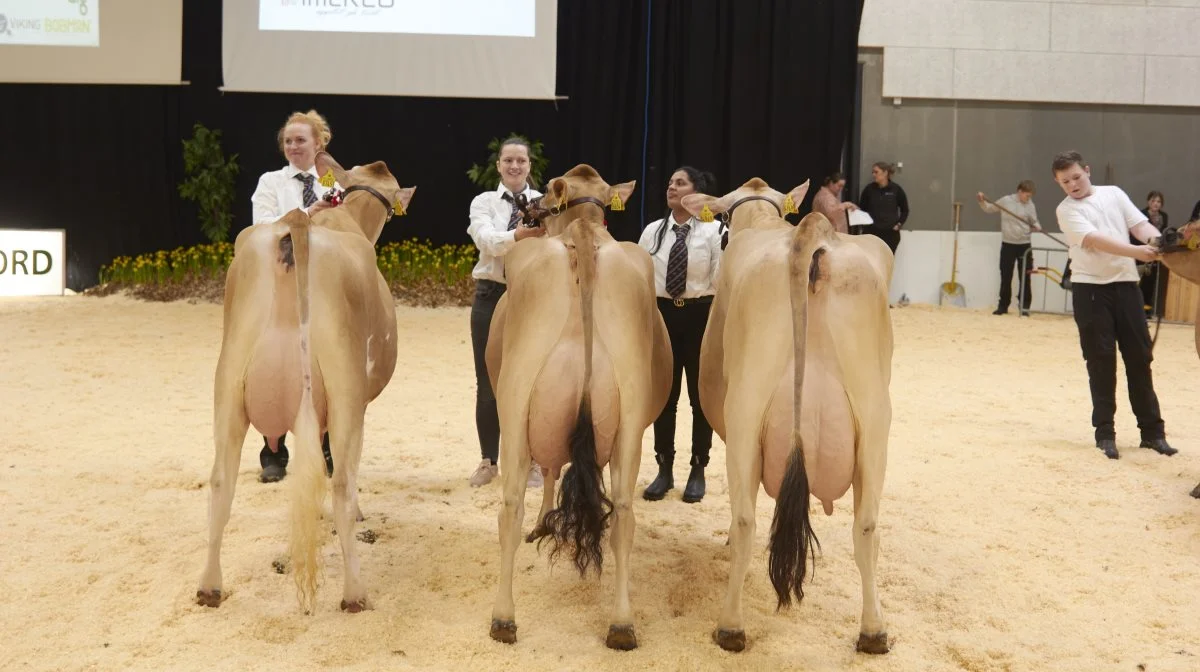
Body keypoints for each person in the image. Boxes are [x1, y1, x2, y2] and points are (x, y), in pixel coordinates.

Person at [1051, 150, 1178, 460]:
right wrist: (1137, 253)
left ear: (1088, 170)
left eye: (1077, 177)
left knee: (1140, 358)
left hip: (1126, 287)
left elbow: (1139, 225)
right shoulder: (1065, 210)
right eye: (1065, 181)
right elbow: (1094, 240)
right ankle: (1105, 434)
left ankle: (1152, 433)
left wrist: (1158, 240)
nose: (1073, 185)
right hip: (1090, 290)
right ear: (1059, 183)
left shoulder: (1114, 194)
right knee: (1100, 361)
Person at [248, 109, 340, 483]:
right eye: (288, 141)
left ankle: (326, 442)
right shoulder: (271, 180)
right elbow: (263, 224)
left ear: (318, 144)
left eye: (301, 140)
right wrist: (309, 211)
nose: (293, 146)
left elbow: (341, 220)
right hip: (280, 283)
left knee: (326, 361)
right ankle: (274, 449)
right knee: (278, 360)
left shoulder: (331, 179)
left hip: (323, 284)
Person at [637, 166, 722, 503]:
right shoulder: (652, 231)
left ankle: (698, 468)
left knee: (701, 401)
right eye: (670, 182)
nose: (671, 186)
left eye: (680, 182)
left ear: (697, 192)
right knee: (663, 399)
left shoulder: (715, 232)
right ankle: (664, 468)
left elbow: (720, 279)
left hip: (701, 315)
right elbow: (641, 277)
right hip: (661, 317)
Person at [466, 136, 547, 488]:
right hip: (490, 295)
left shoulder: (546, 203)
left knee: (533, 380)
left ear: (530, 166)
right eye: (508, 161)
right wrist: (522, 234)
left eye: (521, 161)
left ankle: (531, 460)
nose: (515, 166)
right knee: (488, 382)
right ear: (498, 165)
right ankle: (488, 460)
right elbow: (486, 240)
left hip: (531, 298)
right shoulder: (483, 202)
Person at [977, 181, 1042, 316]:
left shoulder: (1030, 205)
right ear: (1020, 192)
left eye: (1030, 196)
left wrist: (1037, 226)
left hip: (1025, 245)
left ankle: (1024, 308)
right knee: (1006, 276)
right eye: (1027, 196)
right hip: (1008, 245)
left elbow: (1034, 220)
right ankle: (1003, 306)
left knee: (1025, 277)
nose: (1028, 199)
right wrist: (981, 201)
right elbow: (989, 208)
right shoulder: (1006, 201)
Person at [858, 162, 909, 253]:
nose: (873, 175)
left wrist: (898, 224)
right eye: (872, 172)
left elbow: (905, 210)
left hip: (890, 234)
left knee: (886, 262)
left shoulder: (896, 190)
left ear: (885, 173)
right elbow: (862, 209)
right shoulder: (869, 189)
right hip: (872, 233)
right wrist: (864, 227)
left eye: (876, 172)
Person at [1134, 191, 1169, 317]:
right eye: (1153, 201)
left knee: (1150, 283)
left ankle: (1146, 310)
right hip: (1140, 250)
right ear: (1148, 201)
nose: (1156, 204)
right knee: (1136, 282)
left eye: (1158, 202)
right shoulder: (1141, 214)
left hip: (1155, 254)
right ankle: (1135, 310)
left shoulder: (1164, 216)